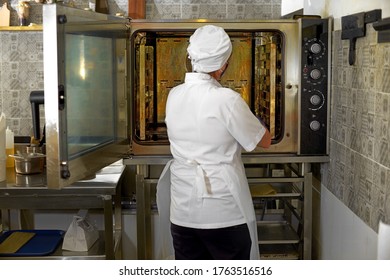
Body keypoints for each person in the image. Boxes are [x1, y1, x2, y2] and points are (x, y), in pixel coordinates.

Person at [156, 25, 271, 260]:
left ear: (191, 58)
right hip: (223, 210)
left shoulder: (174, 94)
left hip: (183, 210)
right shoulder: (227, 99)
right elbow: (265, 140)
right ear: (223, 65)